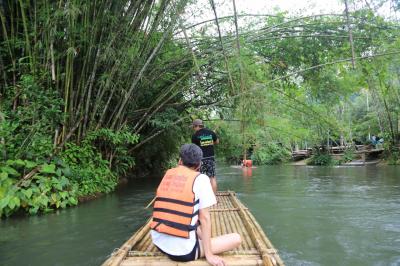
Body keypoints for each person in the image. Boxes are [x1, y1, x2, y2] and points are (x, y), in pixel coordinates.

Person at [150, 144, 241, 265]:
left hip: (158, 242)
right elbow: (204, 218)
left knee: (196, 223)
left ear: (180, 161)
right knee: (236, 239)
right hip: (183, 252)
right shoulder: (201, 179)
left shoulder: (168, 173)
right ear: (199, 165)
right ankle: (204, 247)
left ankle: (200, 240)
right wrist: (209, 255)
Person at [191, 119, 219, 194]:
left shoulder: (195, 136)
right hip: (210, 158)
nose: (194, 129)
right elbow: (217, 142)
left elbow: (195, 148)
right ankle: (214, 198)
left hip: (200, 160)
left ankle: (201, 198)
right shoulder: (211, 133)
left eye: (194, 127)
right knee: (212, 178)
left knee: (199, 178)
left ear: (196, 126)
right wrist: (209, 139)